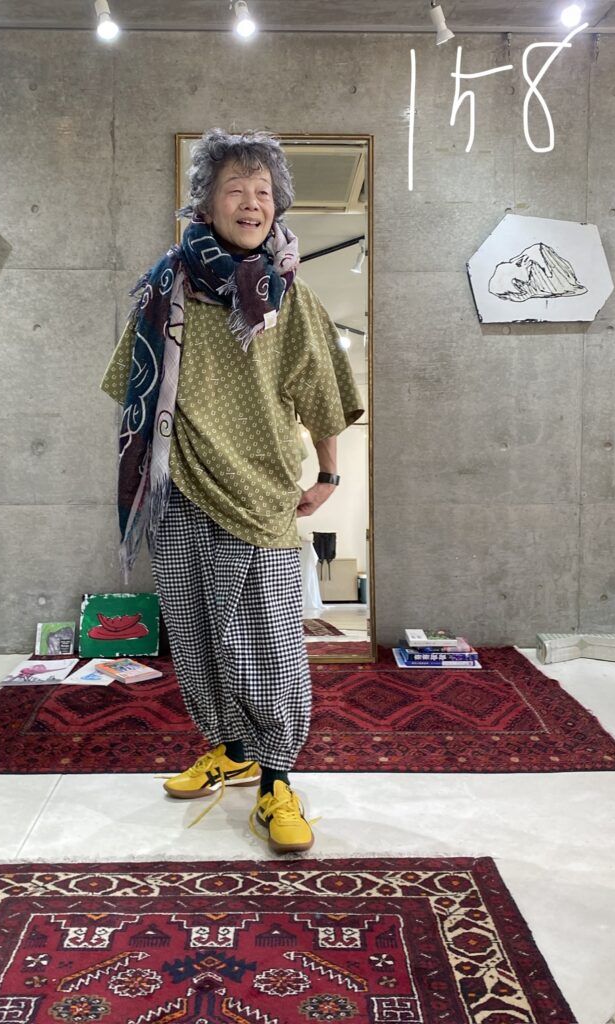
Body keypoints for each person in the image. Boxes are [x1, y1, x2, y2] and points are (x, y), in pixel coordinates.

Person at [100, 128, 363, 853]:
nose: (252, 202)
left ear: (277, 203)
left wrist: (328, 474)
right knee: (195, 635)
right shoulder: (165, 289)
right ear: (206, 203)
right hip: (181, 486)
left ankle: (277, 778)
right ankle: (232, 750)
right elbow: (133, 388)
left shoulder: (290, 295)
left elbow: (321, 393)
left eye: (263, 190)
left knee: (267, 644)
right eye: (235, 189)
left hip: (260, 493)